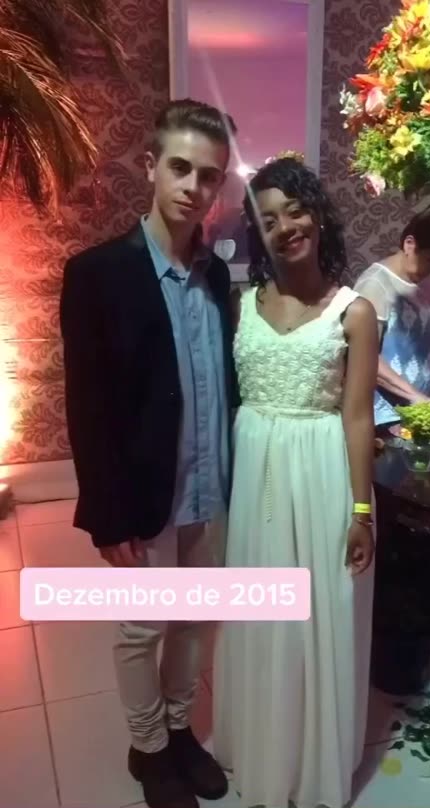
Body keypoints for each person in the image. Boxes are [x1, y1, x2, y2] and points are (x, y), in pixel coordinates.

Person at [60, 98, 238, 808]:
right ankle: (149, 747)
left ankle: (178, 729)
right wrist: (106, 515)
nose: (194, 187)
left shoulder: (217, 277)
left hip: (210, 487)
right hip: (144, 493)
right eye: (181, 168)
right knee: (141, 628)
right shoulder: (98, 274)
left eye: (209, 175)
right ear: (151, 166)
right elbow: (88, 406)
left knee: (194, 619)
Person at [213, 156, 378, 808]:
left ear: (318, 215)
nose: (286, 227)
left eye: (296, 210)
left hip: (322, 477)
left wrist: (361, 510)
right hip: (256, 480)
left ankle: (312, 761)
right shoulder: (240, 305)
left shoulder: (354, 312)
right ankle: (263, 747)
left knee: (317, 618)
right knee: (261, 618)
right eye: (269, 220)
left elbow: (358, 417)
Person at [354, 206, 430, 430]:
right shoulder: (375, 285)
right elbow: (364, 357)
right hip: (386, 415)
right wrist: (414, 396)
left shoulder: (426, 279)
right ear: (409, 244)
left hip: (421, 410)